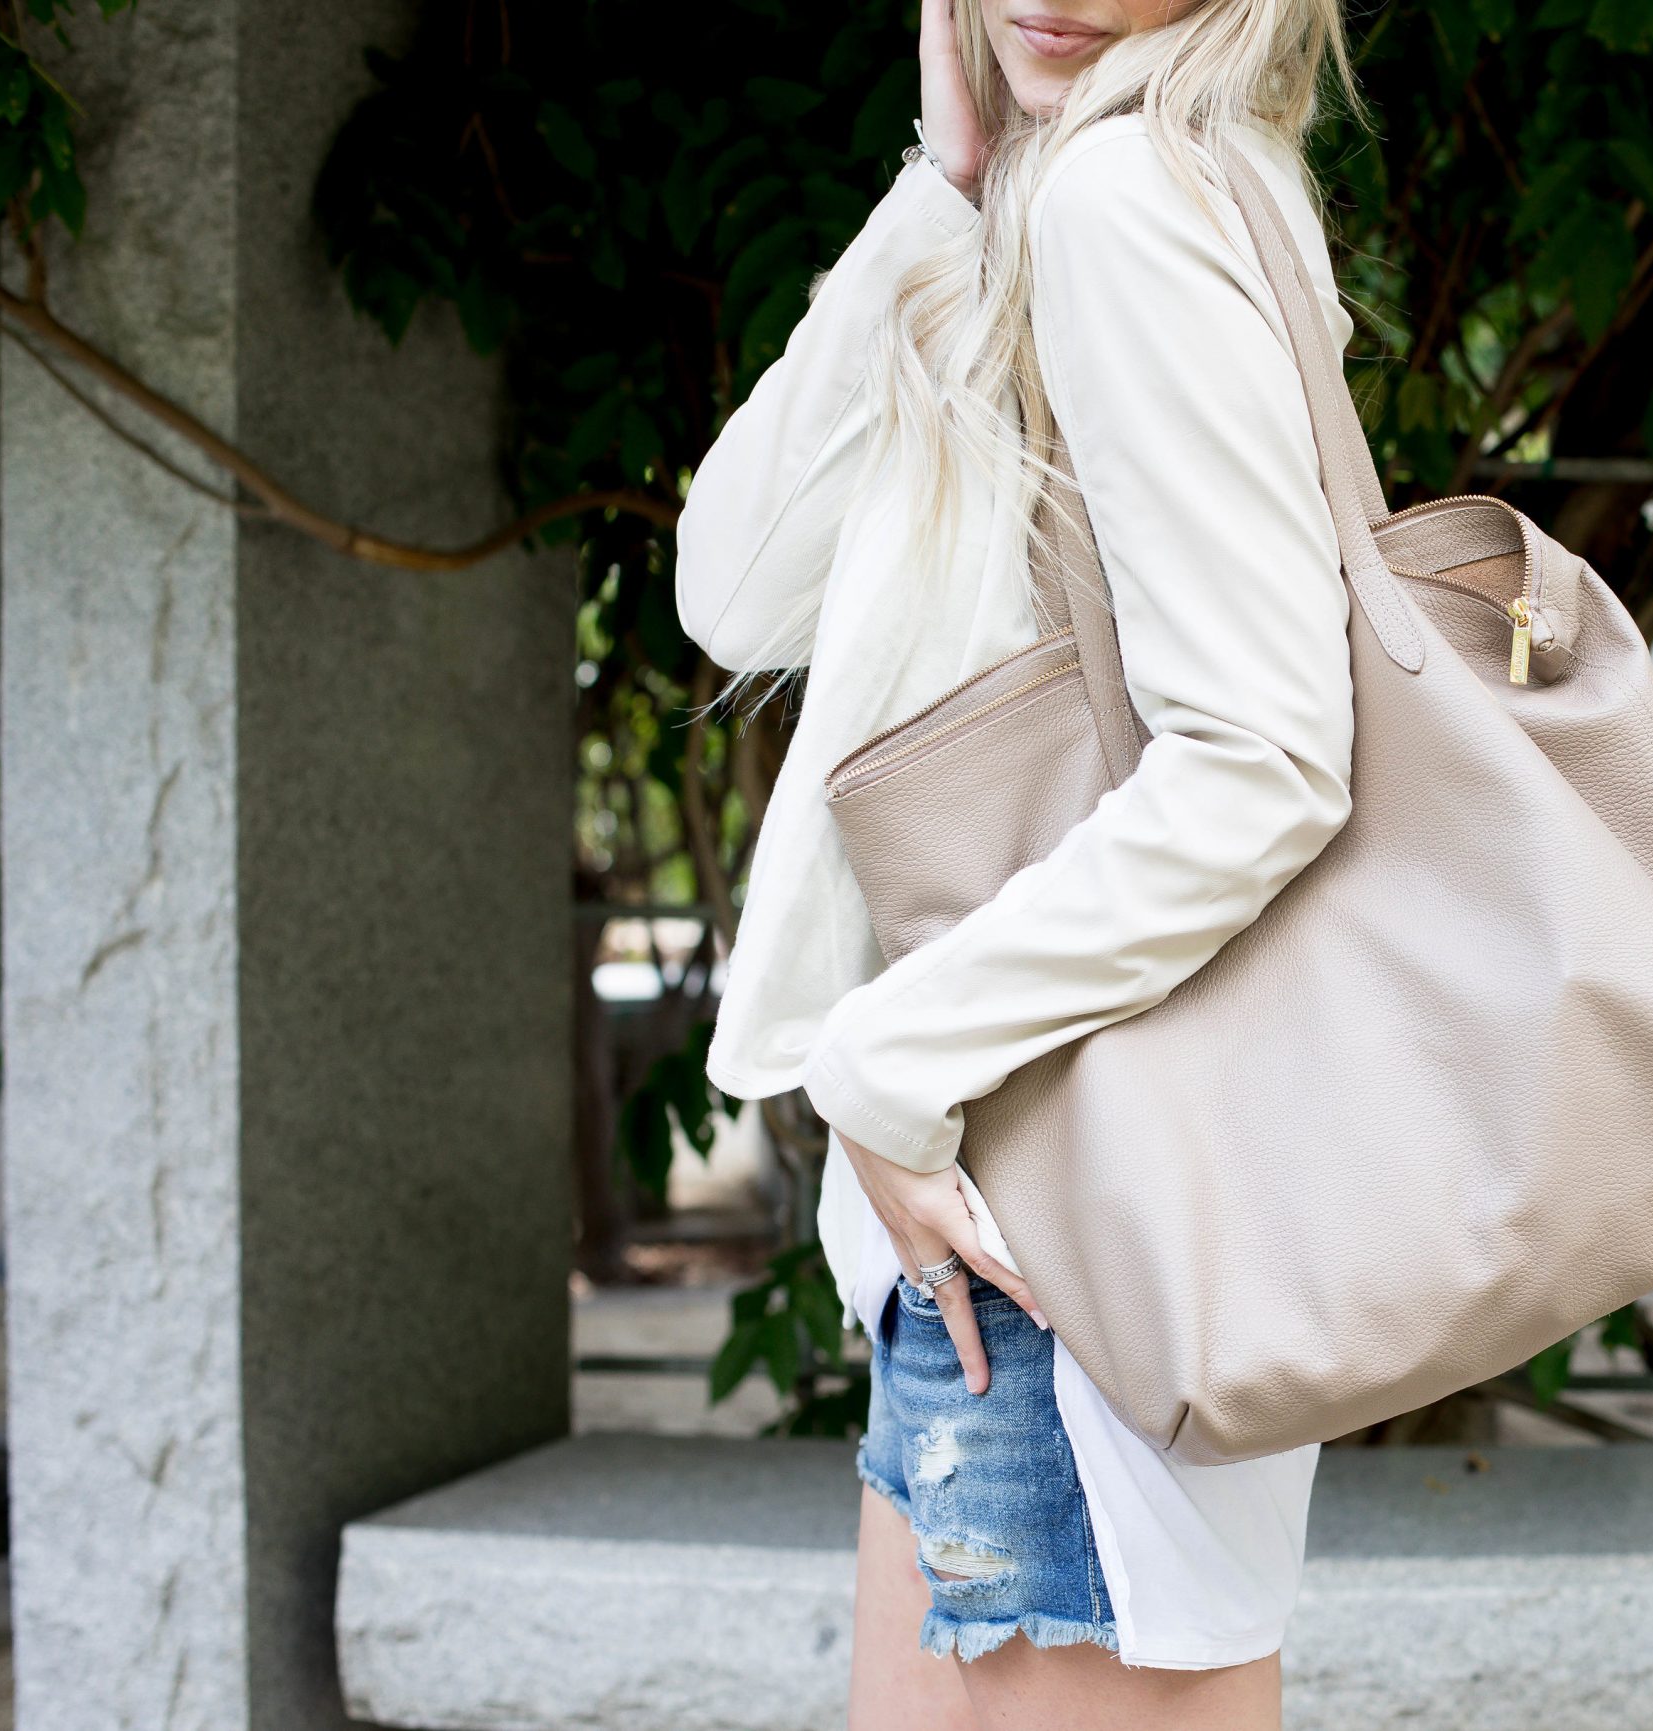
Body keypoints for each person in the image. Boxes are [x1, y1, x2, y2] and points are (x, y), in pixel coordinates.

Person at [673, 1, 1359, 1724]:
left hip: (1065, 1204)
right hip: (1022, 1197)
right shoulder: (1068, 199)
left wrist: (887, 1065)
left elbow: (1265, 756)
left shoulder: (1127, 201)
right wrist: (945, 188)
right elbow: (735, 583)